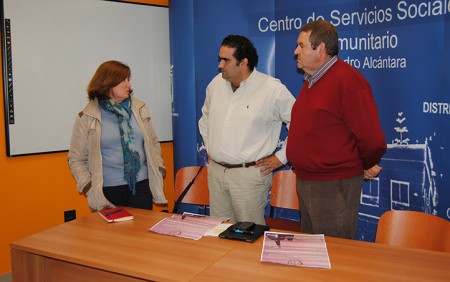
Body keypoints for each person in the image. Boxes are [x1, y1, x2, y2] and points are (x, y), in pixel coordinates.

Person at [287, 20, 387, 239]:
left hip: (333, 185)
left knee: (334, 255)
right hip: (308, 181)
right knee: (312, 253)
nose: (296, 52)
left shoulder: (348, 80)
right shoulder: (312, 81)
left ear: (321, 49)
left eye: (301, 45)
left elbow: (372, 138)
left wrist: (365, 163)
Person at [198, 35, 296, 225]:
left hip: (249, 176)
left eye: (226, 60)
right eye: (220, 58)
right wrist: (211, 147)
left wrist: (281, 158)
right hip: (216, 172)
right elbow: (205, 119)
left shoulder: (272, 89)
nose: (220, 65)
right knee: (218, 234)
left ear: (243, 62)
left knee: (249, 236)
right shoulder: (215, 84)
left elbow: (300, 124)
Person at [68, 60, 167, 212]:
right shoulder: (87, 116)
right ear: (108, 83)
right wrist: (88, 187)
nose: (129, 86)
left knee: (140, 234)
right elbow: (76, 158)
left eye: (129, 80)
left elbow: (153, 142)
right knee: (112, 236)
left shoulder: (139, 108)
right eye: (123, 81)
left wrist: (159, 169)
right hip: (107, 190)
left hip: (141, 185)